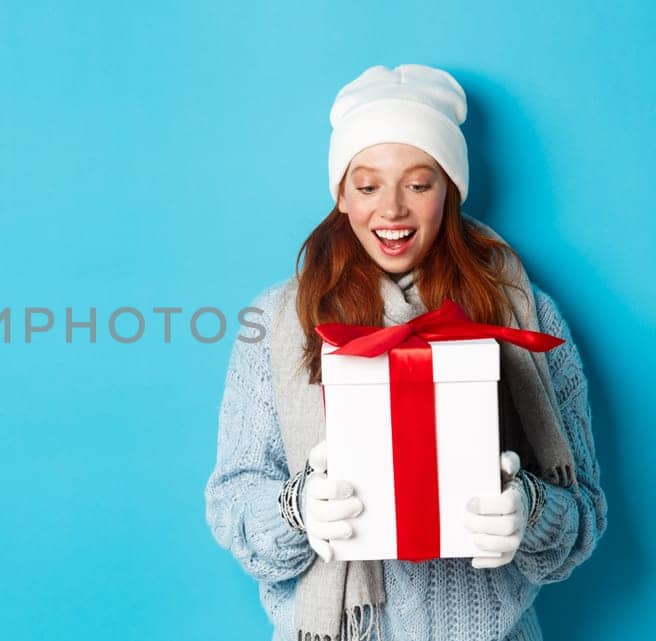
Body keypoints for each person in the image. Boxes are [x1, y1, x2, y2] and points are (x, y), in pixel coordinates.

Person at [203, 64, 607, 641]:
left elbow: (584, 514)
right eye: (367, 185)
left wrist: (531, 510)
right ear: (341, 194)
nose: (391, 210)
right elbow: (231, 503)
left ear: (450, 191)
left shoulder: (525, 313)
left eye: (418, 184)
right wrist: (297, 509)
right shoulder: (275, 323)